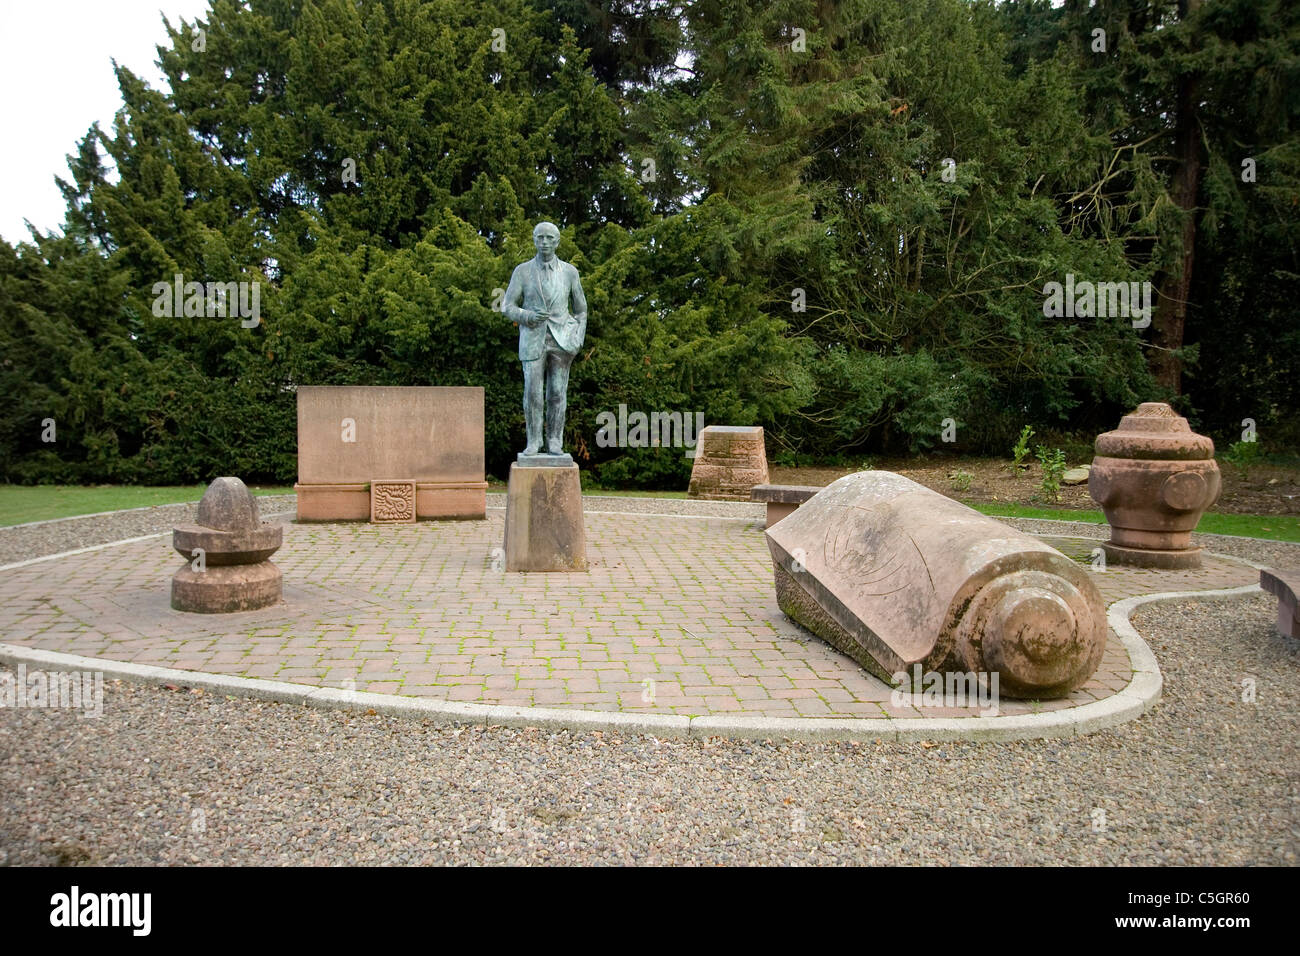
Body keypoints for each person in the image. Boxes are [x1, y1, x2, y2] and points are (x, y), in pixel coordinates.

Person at [501, 221, 588, 456]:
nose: (545, 242)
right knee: (532, 392)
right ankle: (534, 441)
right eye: (540, 237)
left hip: (562, 340)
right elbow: (507, 306)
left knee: (557, 392)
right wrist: (527, 316)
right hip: (532, 338)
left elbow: (581, 310)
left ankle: (555, 441)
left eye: (550, 238)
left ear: (557, 242)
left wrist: (578, 336)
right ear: (534, 239)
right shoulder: (522, 271)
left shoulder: (570, 272)